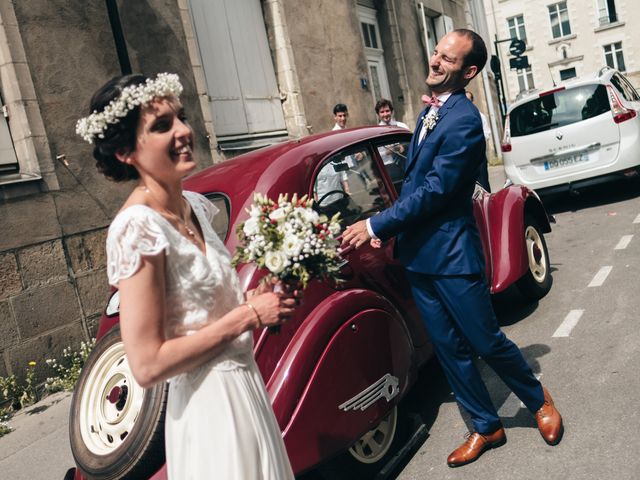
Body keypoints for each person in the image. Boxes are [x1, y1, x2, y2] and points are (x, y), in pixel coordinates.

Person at [342, 30, 563, 468]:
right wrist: (389, 228)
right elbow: (415, 185)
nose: (436, 60)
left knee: (485, 339)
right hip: (419, 258)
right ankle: (486, 426)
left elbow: (438, 190)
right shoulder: (429, 113)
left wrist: (375, 223)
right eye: (437, 52)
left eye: (448, 57)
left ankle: (538, 399)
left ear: (470, 71)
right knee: (448, 348)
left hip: (452, 256)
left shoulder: (463, 118)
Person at [76, 73, 297, 479]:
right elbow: (146, 364)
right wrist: (248, 316)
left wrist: (258, 298)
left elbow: (207, 306)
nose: (183, 131)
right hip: (207, 411)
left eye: (180, 117)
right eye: (162, 126)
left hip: (246, 389)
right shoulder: (136, 229)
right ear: (126, 152)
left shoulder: (196, 206)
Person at [465, 90, 491, 191]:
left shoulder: (480, 116)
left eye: (468, 100)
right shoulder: (458, 117)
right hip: (466, 157)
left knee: (483, 181)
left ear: (472, 101)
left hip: (478, 155)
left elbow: (487, 133)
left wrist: (476, 140)